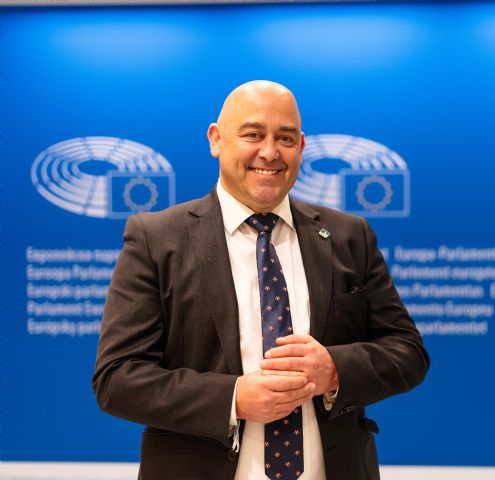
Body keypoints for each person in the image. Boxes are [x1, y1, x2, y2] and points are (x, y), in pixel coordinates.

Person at [92, 80, 429, 480]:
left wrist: (336, 369)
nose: (269, 152)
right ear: (216, 139)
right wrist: (232, 399)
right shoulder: (156, 239)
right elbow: (117, 378)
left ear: (301, 146)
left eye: (285, 138)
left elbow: (407, 351)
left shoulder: (348, 236)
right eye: (253, 134)